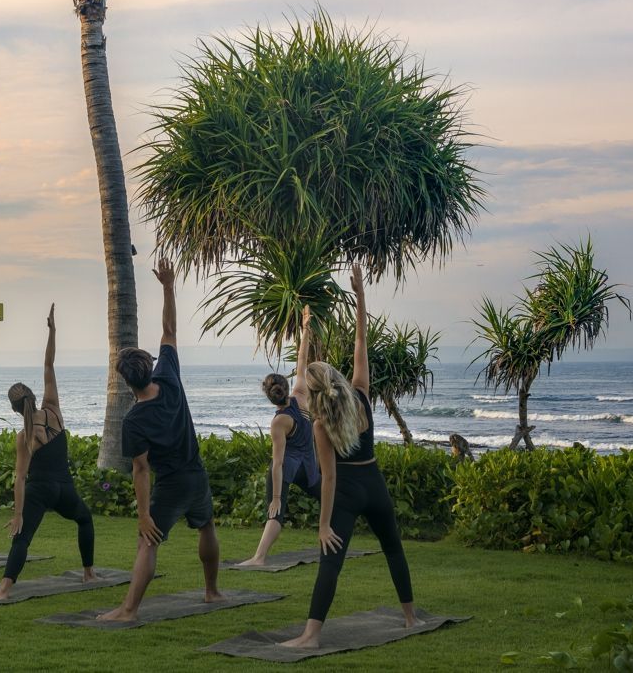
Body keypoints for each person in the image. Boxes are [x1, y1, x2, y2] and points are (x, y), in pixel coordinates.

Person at [282, 265, 422, 648]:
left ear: (313, 393)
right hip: (374, 483)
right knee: (393, 548)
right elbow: (361, 340)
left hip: (346, 492)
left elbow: (328, 478)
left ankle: (311, 635)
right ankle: (410, 617)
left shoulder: (320, 425)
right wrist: (360, 296)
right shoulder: (361, 394)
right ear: (337, 379)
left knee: (331, 562)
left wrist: (323, 524)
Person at [98, 258, 223, 622]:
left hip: (171, 483)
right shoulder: (168, 378)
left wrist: (143, 515)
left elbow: (141, 470)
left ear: (127, 382)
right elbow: (169, 329)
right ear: (150, 368)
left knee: (147, 541)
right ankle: (212, 591)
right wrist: (168, 286)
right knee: (206, 525)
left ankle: (128, 610)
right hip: (196, 474)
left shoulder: (134, 420)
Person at [0, 304, 96, 600]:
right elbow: (49, 366)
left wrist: (18, 514)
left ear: (13, 409)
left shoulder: (24, 436)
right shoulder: (53, 411)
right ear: (34, 396)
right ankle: (89, 573)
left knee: (22, 538)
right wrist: (52, 331)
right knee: (84, 519)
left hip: (40, 491)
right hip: (64, 489)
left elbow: (20, 478)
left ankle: (4, 589)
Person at [236, 306, 321, 566]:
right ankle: (335, 537)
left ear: (269, 396)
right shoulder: (301, 395)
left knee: (275, 515)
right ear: (286, 386)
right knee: (331, 497)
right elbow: (302, 360)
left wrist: (275, 498)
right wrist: (305, 329)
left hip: (289, 468)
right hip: (309, 467)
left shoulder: (279, 422)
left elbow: (278, 463)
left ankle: (259, 557)